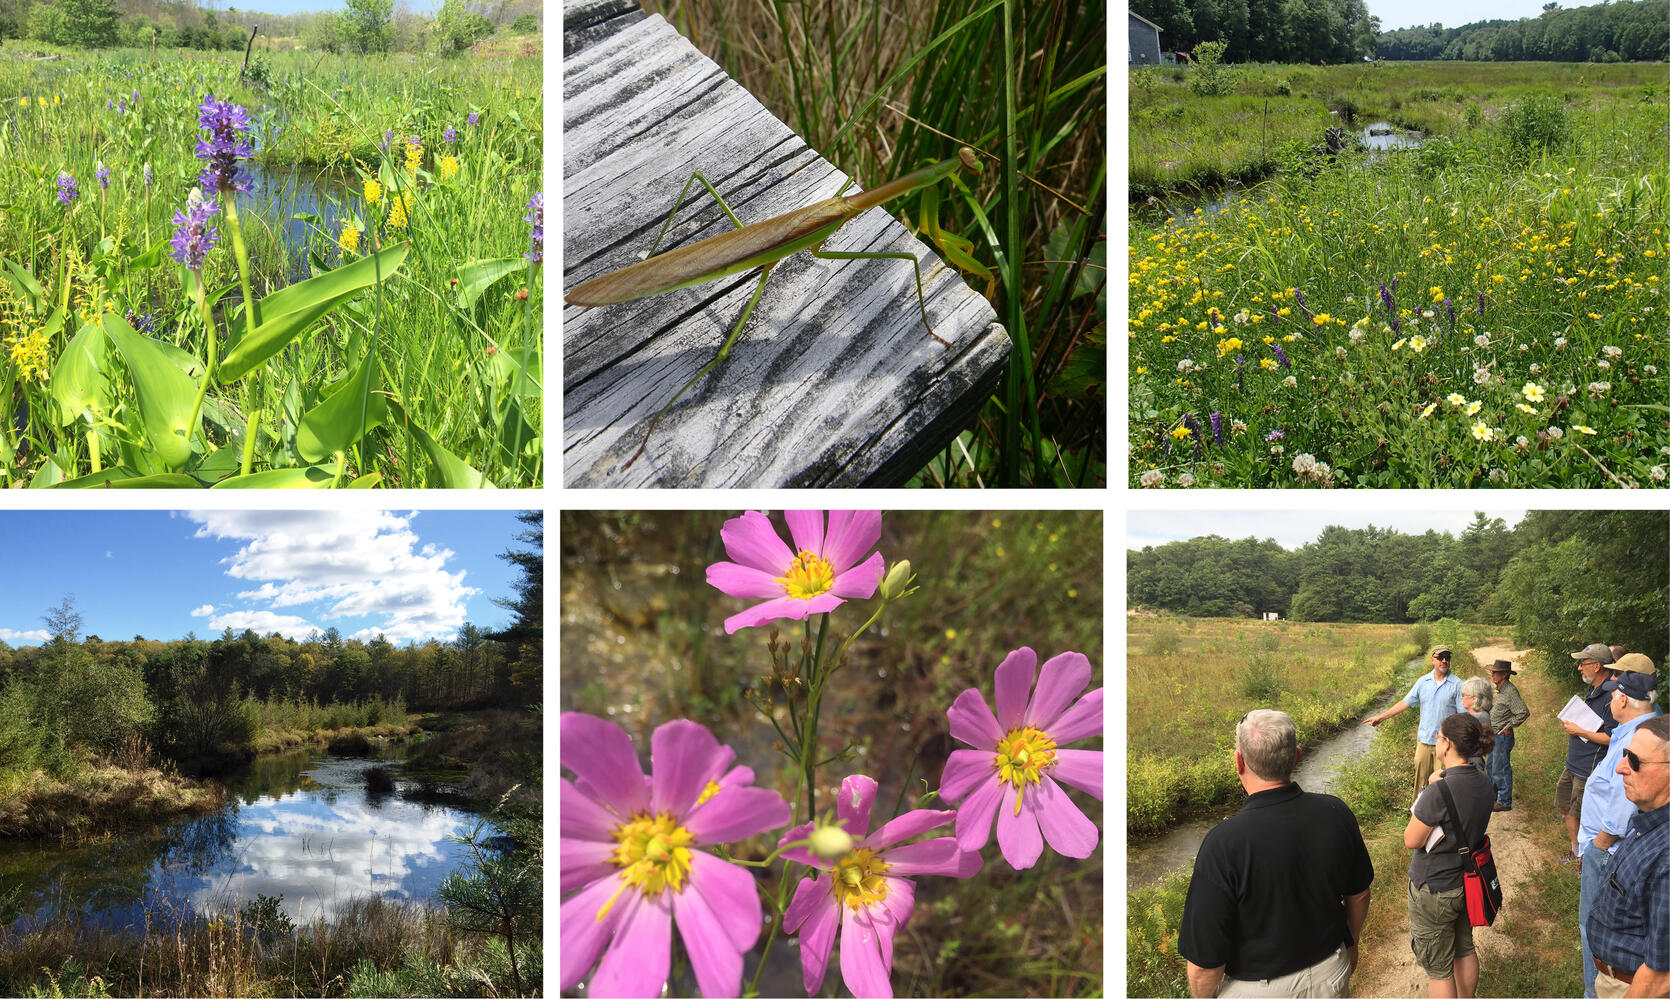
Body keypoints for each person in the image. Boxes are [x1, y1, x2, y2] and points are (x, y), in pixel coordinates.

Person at [1180, 709, 1374, 998]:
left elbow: (1204, 967)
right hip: (1329, 975)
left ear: (1239, 762)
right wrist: (1352, 944)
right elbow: (1359, 894)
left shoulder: (1222, 844)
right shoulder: (1335, 812)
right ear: (1297, 756)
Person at [1577, 662, 1661, 997]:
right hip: (1615, 849)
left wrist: (1598, 844)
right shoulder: (1637, 731)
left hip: (1610, 850)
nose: (1610, 701)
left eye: (1614, 696)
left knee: (1594, 925)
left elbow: (1626, 799)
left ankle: (1594, 991)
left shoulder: (1640, 741)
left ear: (1623, 701)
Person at [1403, 713, 1496, 999]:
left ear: (1448, 744)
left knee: (1439, 970)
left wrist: (1431, 788)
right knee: (1464, 948)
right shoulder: (1483, 782)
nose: (1436, 741)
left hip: (1434, 887)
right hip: (1466, 882)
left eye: (1439, 737)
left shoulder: (1438, 791)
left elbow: (1411, 840)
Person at [1367, 646, 1464, 793]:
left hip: (1446, 744)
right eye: (1440, 657)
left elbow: (1463, 716)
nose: (1444, 661)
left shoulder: (1457, 685)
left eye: (1447, 658)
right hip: (1424, 742)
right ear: (1432, 660)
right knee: (1421, 784)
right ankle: (1418, 812)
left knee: (1443, 784)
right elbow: (1405, 703)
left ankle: (1442, 815)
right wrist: (1381, 717)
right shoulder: (1422, 682)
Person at [1560, 643, 1622, 862]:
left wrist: (1579, 730)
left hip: (1589, 767)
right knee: (1565, 806)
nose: (1579, 668)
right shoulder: (1594, 688)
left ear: (1597, 666)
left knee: (1583, 815)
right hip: (1573, 762)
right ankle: (1575, 851)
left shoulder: (1611, 695)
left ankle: (1584, 860)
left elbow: (1612, 737)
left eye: (1583, 663)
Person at [1487, 660, 1530, 812]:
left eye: (1495, 672)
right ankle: (1492, 798)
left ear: (1504, 674)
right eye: (1492, 671)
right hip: (1494, 736)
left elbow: (1523, 712)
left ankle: (1504, 801)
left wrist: (1508, 727)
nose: (1492, 674)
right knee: (1491, 766)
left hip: (1502, 737)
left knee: (1501, 768)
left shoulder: (1510, 691)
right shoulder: (1501, 690)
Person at [1459, 677, 1493, 774]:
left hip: (1471, 765)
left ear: (1474, 698)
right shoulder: (1477, 715)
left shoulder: (1479, 717)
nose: (1461, 698)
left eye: (1463, 695)